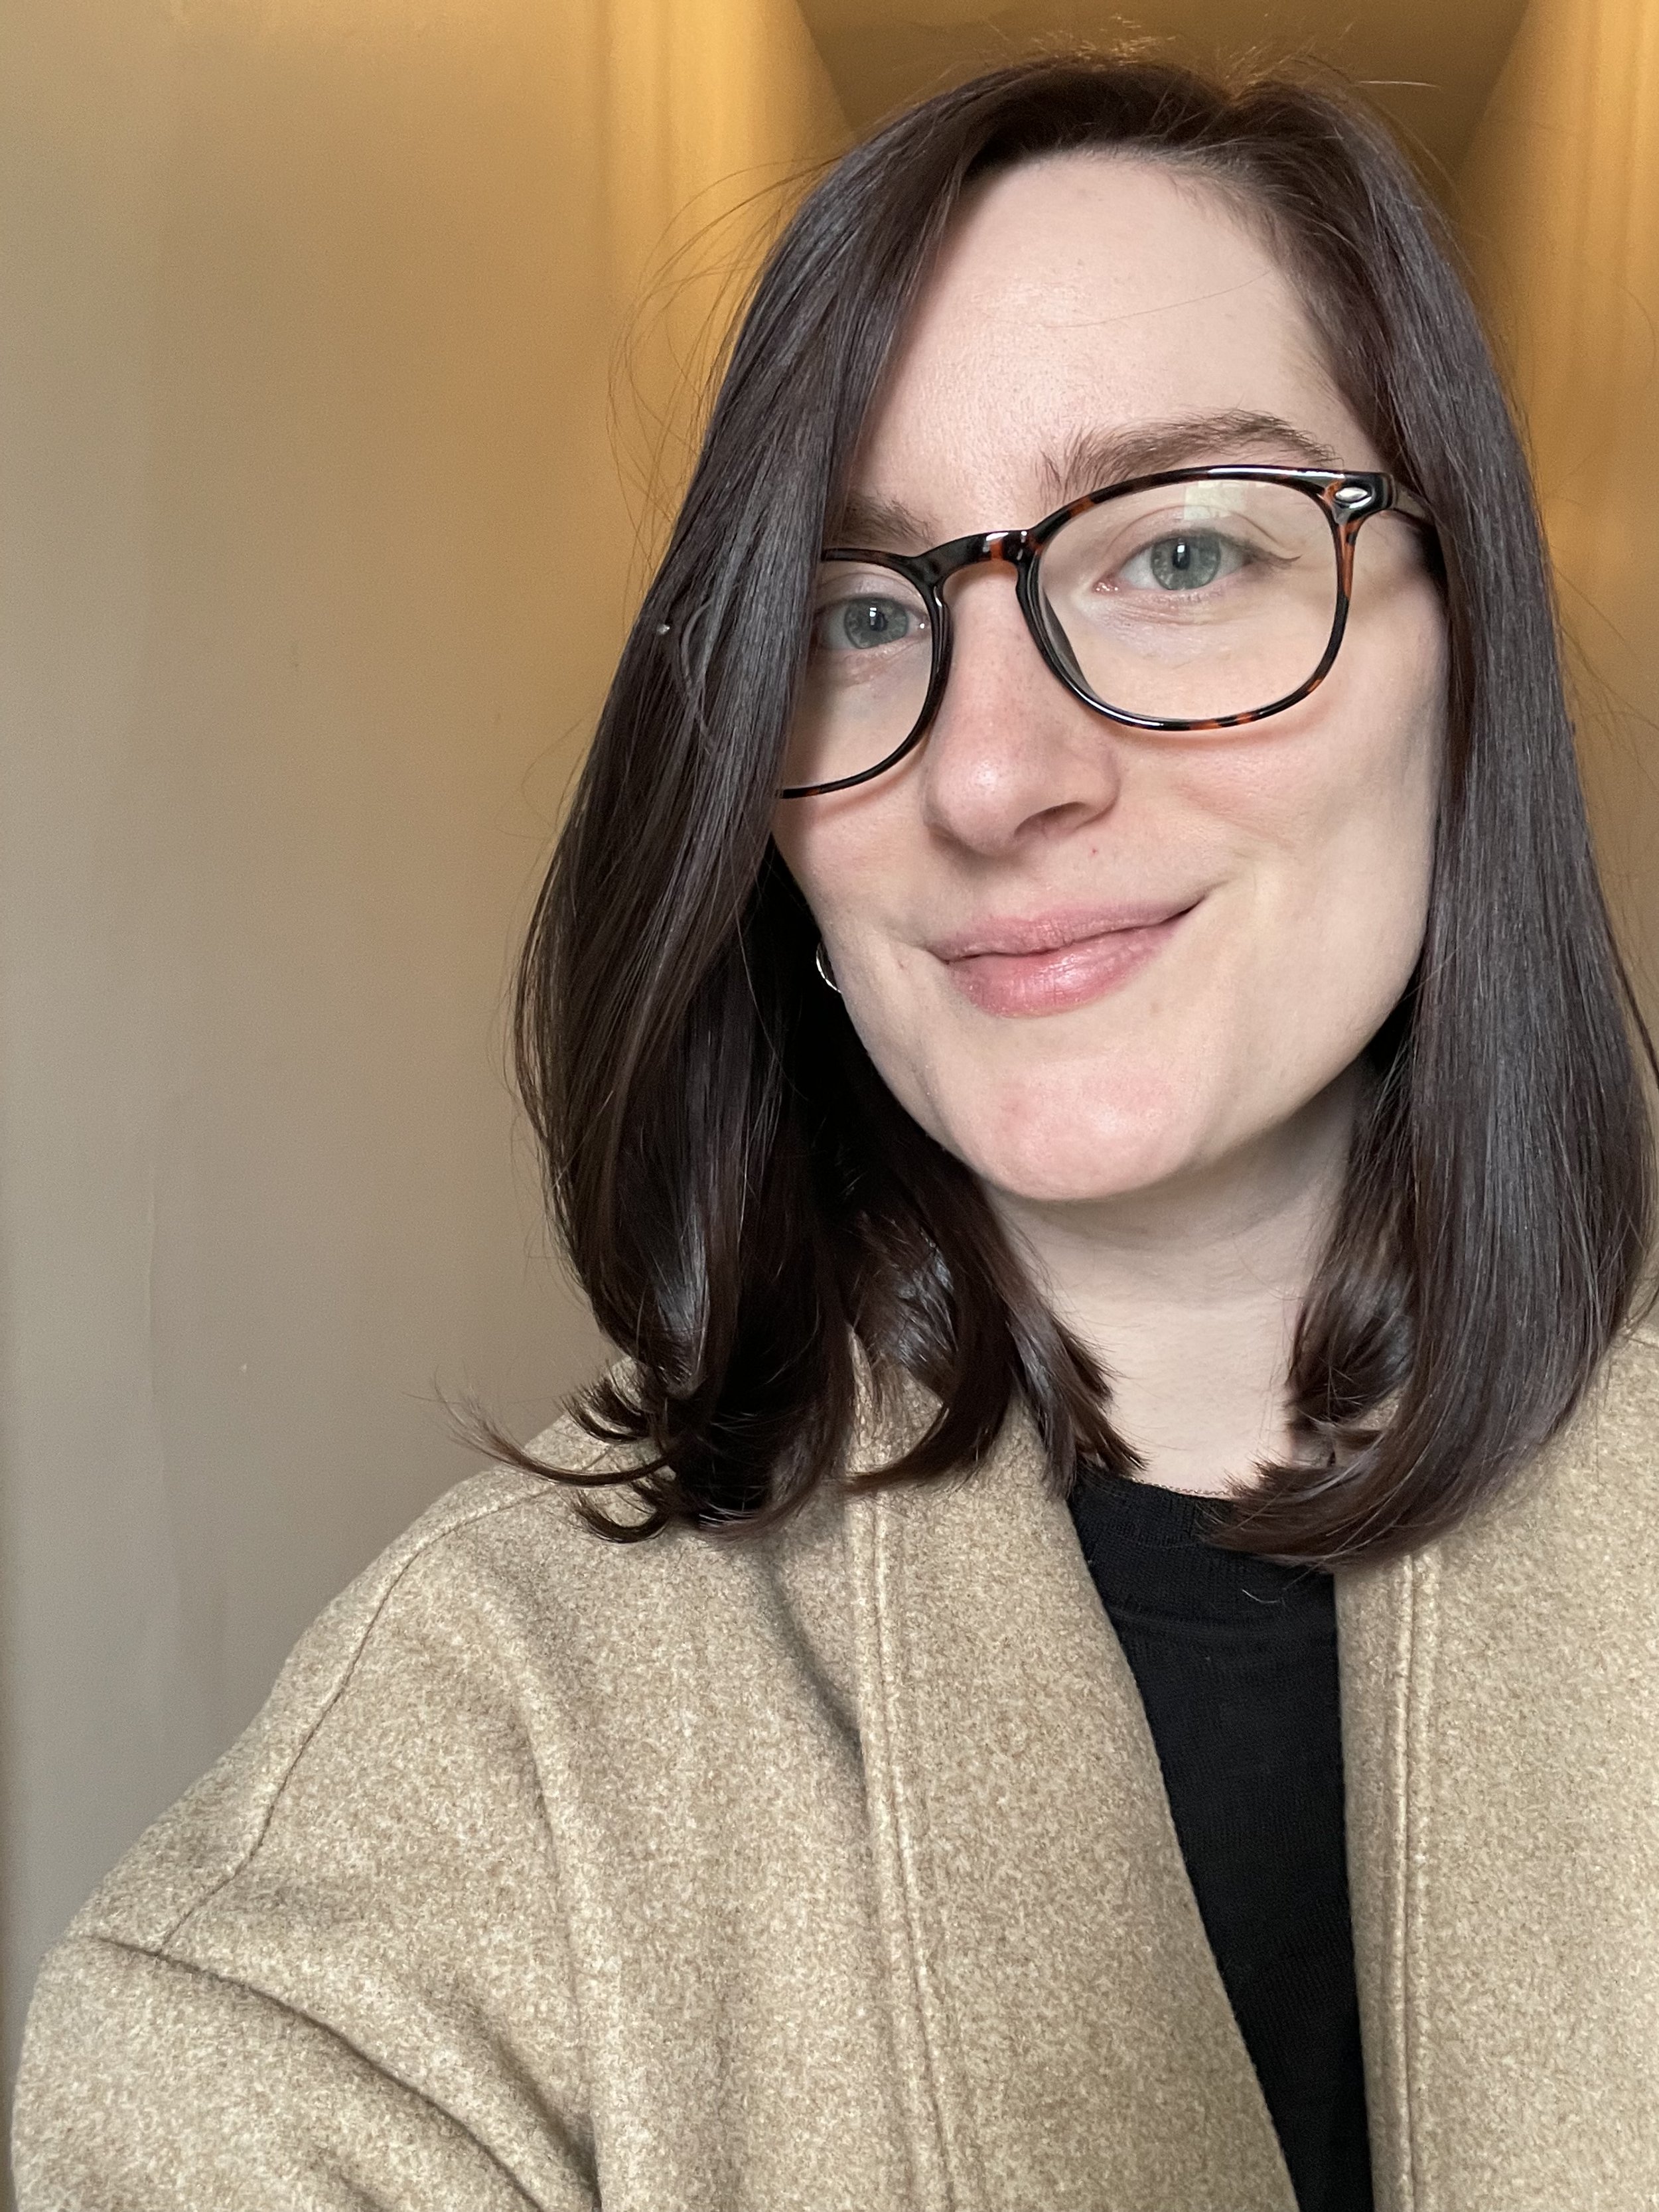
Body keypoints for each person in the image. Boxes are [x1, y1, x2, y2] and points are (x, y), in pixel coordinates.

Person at [13, 52, 1658, 2212]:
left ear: (1466, 653)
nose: (991, 774)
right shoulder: (453, 1804)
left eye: (1179, 549)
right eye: (855, 614)